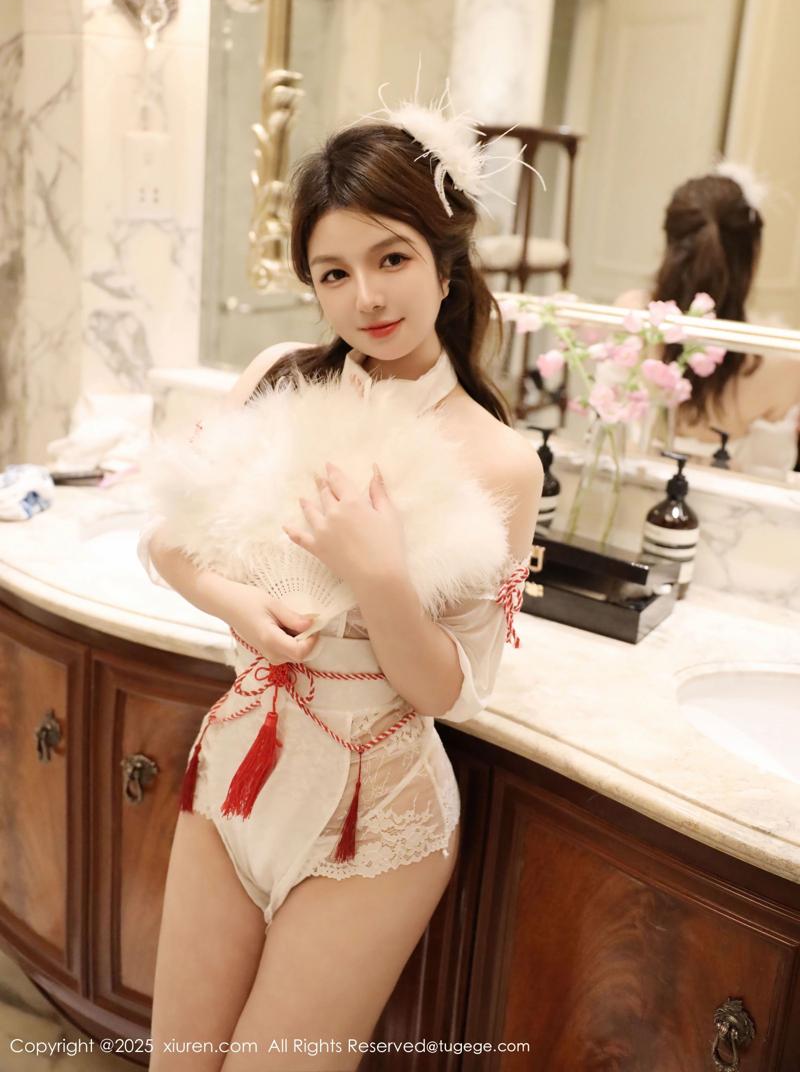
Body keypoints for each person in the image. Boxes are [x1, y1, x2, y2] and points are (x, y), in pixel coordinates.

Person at [139, 107, 543, 1070]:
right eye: (333, 272)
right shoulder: (280, 379)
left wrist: (378, 575)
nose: (365, 296)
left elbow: (455, 692)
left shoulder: (499, 460)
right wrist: (239, 606)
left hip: (378, 819)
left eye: (391, 257)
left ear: (445, 264)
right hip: (235, 770)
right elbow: (166, 541)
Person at [615, 167, 800, 471]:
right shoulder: (783, 362)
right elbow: (771, 479)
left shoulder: (631, 317)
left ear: (670, 245)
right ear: (751, 257)